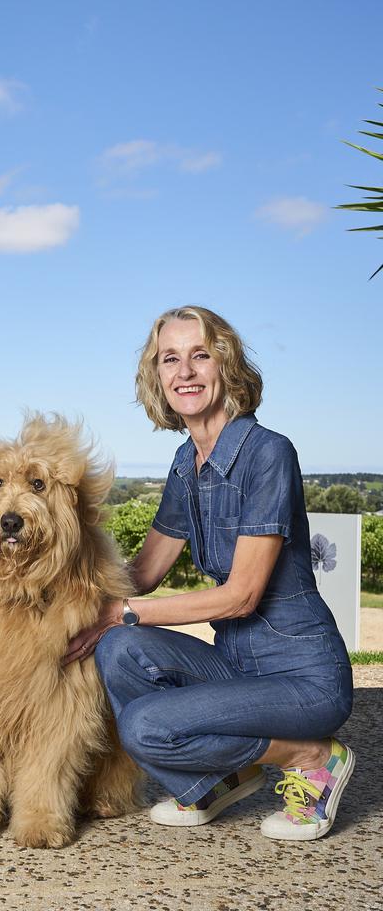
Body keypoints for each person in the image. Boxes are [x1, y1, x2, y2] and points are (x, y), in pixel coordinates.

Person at [66, 306, 354, 841]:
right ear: (157, 377)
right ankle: (209, 785)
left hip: (303, 680)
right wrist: (61, 575)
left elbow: (241, 597)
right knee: (117, 649)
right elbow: (144, 574)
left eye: (201, 355)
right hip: (235, 665)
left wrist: (119, 613)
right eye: (169, 359)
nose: (185, 371)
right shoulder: (184, 463)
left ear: (226, 365)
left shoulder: (268, 453)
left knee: (145, 727)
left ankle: (311, 755)